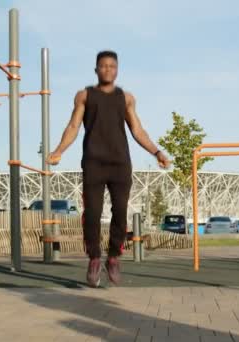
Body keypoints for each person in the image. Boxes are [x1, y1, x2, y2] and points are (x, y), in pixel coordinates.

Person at [47, 50, 171, 287]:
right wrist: (59, 150)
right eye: (103, 66)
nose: (107, 70)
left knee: (120, 211)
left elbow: (138, 130)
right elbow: (73, 126)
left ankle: (113, 256)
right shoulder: (84, 96)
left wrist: (157, 152)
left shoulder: (126, 98)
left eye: (112, 66)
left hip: (120, 163)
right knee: (92, 214)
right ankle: (94, 257)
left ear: (117, 70)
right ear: (96, 69)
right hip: (93, 162)